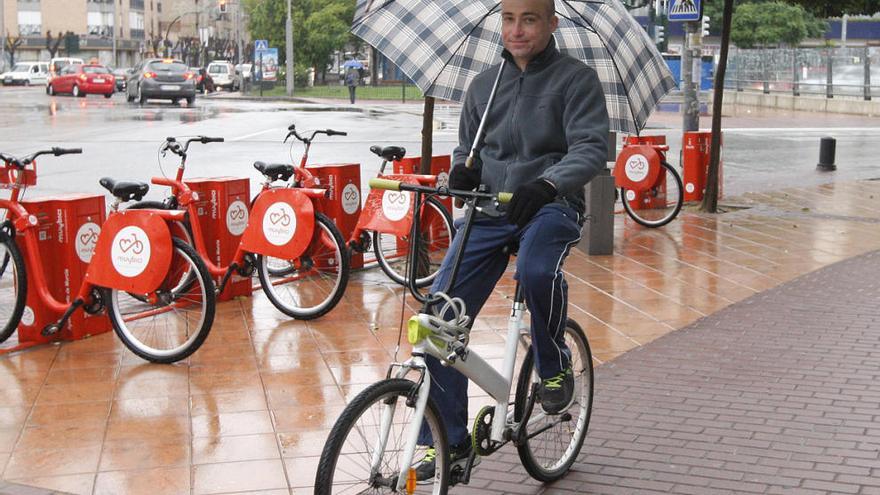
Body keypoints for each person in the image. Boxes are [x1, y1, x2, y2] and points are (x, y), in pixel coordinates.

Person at [414, 0, 609, 480]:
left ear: (550, 23)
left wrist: (548, 184)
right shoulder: (484, 86)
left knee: (537, 271)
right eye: (508, 19)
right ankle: (446, 440)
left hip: (550, 205)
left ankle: (555, 363)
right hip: (489, 210)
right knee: (439, 319)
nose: (516, 29)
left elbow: (591, 148)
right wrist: (463, 167)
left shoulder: (576, 80)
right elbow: (467, 148)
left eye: (529, 19)